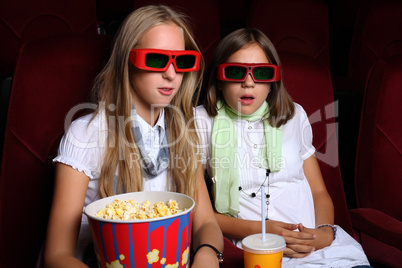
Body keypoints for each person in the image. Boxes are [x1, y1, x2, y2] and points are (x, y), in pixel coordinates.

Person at [44, 5, 223, 268]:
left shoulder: (185, 132)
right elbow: (57, 255)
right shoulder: (87, 133)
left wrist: (207, 254)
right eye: (156, 59)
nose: (171, 75)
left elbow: (206, 222)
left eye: (182, 61)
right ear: (127, 61)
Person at [195, 28, 370, 267]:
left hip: (318, 247)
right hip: (257, 249)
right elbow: (200, 214)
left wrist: (324, 233)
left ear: (272, 81)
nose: (248, 82)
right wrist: (264, 231)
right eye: (236, 72)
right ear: (219, 78)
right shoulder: (201, 121)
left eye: (262, 73)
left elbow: (318, 191)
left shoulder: (295, 115)